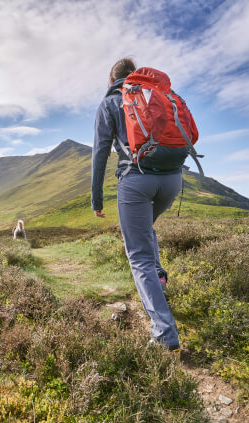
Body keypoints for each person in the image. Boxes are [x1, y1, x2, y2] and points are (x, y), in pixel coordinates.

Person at [91, 58, 181, 351]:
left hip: (136, 180)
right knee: (145, 232)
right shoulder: (154, 96)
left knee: (138, 255)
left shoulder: (110, 103)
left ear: (111, 80)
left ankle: (164, 333)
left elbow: (101, 153)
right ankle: (159, 277)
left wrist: (96, 199)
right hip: (173, 179)